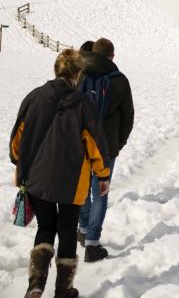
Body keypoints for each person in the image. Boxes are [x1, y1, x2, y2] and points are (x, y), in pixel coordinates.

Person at [10, 49, 111, 298]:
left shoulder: (33, 97)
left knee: (45, 228)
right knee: (67, 230)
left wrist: (21, 165)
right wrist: (103, 175)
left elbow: (16, 142)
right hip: (72, 181)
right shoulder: (83, 104)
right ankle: (63, 290)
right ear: (77, 74)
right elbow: (95, 145)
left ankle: (35, 285)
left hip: (37, 179)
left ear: (57, 70)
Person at [77, 38, 133, 263]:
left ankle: (82, 228)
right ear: (112, 56)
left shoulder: (81, 75)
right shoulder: (119, 80)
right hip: (106, 147)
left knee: (82, 188)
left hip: (81, 143)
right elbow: (128, 116)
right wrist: (118, 144)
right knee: (100, 191)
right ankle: (92, 243)